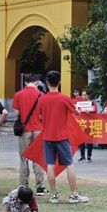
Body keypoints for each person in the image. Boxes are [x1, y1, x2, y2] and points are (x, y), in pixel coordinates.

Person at [37, 71, 89, 204]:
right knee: (69, 164)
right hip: (62, 136)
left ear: (47, 83)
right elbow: (77, 112)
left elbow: (39, 116)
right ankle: (74, 195)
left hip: (47, 136)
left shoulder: (42, 99)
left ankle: (54, 195)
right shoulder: (64, 98)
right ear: (59, 82)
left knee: (50, 165)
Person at [12, 74, 47, 195]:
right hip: (38, 129)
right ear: (36, 82)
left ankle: (23, 185)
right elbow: (44, 114)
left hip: (25, 130)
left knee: (23, 158)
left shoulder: (18, 94)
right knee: (38, 158)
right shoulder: (41, 95)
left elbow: (16, 113)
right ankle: (40, 186)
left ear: (25, 82)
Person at [77, 90, 97, 162]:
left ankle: (89, 156)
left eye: (85, 95)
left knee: (89, 140)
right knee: (81, 140)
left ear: (88, 96)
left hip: (89, 124)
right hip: (82, 123)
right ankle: (82, 156)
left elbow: (95, 110)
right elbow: (76, 111)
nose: (84, 96)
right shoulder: (79, 103)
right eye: (83, 95)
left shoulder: (92, 103)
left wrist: (90, 111)